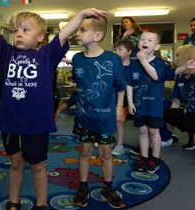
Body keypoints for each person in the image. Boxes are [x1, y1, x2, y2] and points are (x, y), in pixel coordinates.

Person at [0, 4, 107, 210]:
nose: (18, 34)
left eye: (26, 30)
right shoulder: (7, 53)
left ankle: (42, 204)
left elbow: (63, 35)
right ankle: (14, 202)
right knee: (16, 164)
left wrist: (81, 15)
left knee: (38, 166)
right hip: (10, 122)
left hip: (36, 124)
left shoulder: (47, 55)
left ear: (40, 37)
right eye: (16, 30)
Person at [71, 15, 126, 209]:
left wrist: (119, 107)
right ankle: (83, 186)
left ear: (98, 35)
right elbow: (79, 85)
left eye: (82, 30)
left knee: (105, 153)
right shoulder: (76, 59)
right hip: (83, 116)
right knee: (84, 150)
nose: (77, 33)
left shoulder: (112, 59)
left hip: (104, 116)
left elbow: (120, 86)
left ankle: (108, 188)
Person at [127, 31, 195, 173]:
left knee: (154, 131)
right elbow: (129, 84)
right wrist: (130, 103)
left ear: (156, 47)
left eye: (149, 40)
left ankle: (155, 158)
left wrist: (143, 60)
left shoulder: (159, 62)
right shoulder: (133, 63)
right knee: (142, 131)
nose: (145, 42)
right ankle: (144, 156)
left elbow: (155, 76)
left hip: (154, 105)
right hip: (139, 105)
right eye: (142, 39)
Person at [164, 44, 195, 150]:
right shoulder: (181, 78)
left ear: (186, 58)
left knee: (188, 118)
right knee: (168, 113)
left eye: (178, 56)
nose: (176, 59)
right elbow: (175, 103)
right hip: (190, 114)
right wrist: (170, 122)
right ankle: (190, 137)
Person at [112, 38, 134, 156]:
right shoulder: (115, 66)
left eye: (120, 49)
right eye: (115, 50)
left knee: (119, 122)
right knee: (111, 121)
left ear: (129, 51)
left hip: (125, 101)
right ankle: (110, 140)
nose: (116, 52)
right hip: (113, 99)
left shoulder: (133, 67)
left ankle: (120, 145)